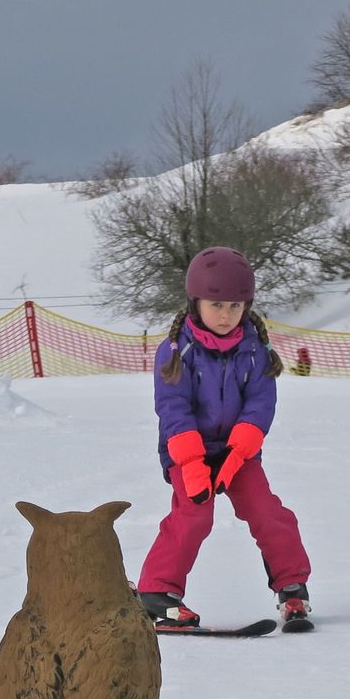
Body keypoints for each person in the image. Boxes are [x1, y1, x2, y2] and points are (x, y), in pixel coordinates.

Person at [135, 247, 314, 632]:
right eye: (216, 304)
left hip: (239, 452)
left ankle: (292, 587)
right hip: (187, 453)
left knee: (266, 510)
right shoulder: (174, 350)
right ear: (195, 302)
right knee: (194, 516)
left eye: (235, 305)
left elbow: (260, 404)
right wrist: (192, 464)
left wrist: (238, 452)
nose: (226, 314)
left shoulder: (255, 350)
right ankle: (156, 595)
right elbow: (173, 408)